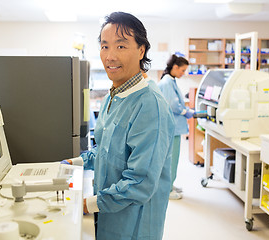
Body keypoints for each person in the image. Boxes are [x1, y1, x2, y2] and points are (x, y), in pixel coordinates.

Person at [63, 12, 175, 240]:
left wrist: (87, 204)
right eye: (104, 47)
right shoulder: (113, 96)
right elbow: (104, 152)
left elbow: (140, 183)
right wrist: (71, 164)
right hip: (109, 213)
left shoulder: (150, 105)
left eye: (121, 46)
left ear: (141, 50)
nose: (110, 56)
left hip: (135, 223)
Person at [158, 54, 194, 200]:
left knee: (173, 158)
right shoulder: (167, 82)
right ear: (175, 67)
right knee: (170, 160)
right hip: (170, 128)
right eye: (182, 70)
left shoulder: (170, 80)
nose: (183, 73)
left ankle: (170, 185)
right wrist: (186, 111)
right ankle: (166, 190)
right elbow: (173, 105)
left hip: (173, 128)